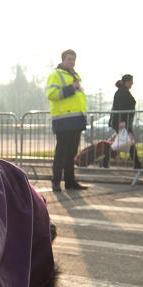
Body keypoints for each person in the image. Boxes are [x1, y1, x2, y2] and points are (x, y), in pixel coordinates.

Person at [45, 49, 88, 191]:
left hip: (76, 120)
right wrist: (71, 88)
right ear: (63, 60)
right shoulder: (56, 75)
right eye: (69, 59)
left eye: (73, 59)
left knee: (71, 153)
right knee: (61, 153)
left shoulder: (76, 76)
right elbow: (51, 94)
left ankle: (70, 182)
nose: (72, 62)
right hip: (63, 121)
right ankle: (56, 182)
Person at [108, 74, 140, 168]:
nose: (132, 84)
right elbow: (119, 108)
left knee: (125, 141)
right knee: (129, 141)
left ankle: (105, 160)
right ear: (127, 81)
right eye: (131, 81)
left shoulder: (122, 91)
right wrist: (121, 121)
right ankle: (137, 165)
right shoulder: (122, 92)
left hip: (124, 121)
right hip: (123, 121)